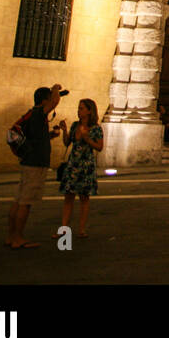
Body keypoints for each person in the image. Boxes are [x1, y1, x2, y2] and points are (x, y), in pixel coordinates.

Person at [6, 84, 63, 249]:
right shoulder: (39, 112)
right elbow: (54, 102)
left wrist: (50, 135)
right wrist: (56, 90)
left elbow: (35, 138)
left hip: (27, 161)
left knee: (18, 200)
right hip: (35, 164)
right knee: (26, 202)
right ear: (45, 100)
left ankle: (11, 236)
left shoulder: (32, 114)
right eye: (50, 99)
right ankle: (18, 238)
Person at [59, 98, 104, 237]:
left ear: (89, 111)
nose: (79, 111)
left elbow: (99, 147)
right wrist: (65, 131)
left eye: (82, 108)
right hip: (73, 164)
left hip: (86, 166)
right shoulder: (75, 125)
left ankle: (81, 229)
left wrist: (87, 138)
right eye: (78, 108)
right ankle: (64, 229)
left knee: (84, 198)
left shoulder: (96, 128)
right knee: (68, 197)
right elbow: (68, 142)